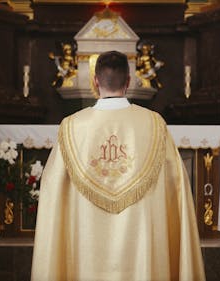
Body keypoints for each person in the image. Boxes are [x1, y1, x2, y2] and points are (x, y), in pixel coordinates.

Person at [31, 51, 205, 281]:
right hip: (141, 246)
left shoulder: (72, 127)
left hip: (86, 250)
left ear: (95, 82)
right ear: (129, 81)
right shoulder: (153, 125)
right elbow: (175, 186)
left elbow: (53, 190)